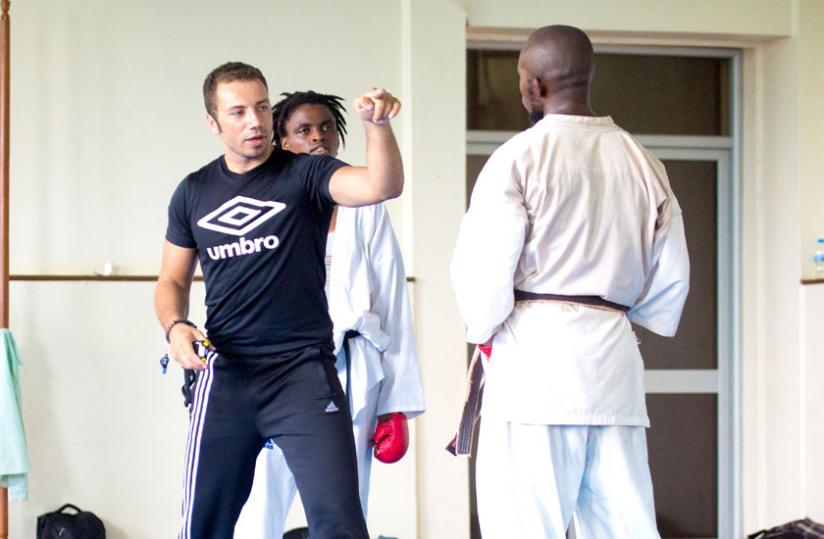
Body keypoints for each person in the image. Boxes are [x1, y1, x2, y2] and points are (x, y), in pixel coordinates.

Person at [450, 25, 690, 538]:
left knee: (524, 527)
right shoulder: (643, 162)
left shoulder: (519, 157)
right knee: (622, 527)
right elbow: (670, 284)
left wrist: (482, 327)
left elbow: (484, 278)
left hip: (535, 366)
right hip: (613, 366)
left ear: (535, 86)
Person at [154, 62, 404, 539]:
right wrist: (176, 326)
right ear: (214, 122)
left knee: (341, 525)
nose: (255, 121)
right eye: (239, 111)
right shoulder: (193, 193)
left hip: (303, 374)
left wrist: (378, 126)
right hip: (226, 375)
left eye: (263, 107)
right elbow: (171, 280)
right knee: (202, 526)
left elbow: (381, 185)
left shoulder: (305, 174)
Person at [233, 91, 425, 537]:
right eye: (303, 130)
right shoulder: (265, 206)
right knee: (263, 493)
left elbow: (392, 300)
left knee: (345, 499)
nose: (318, 137)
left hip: (353, 368)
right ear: (282, 141)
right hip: (277, 368)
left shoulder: (367, 205)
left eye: (326, 128)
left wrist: (395, 404)